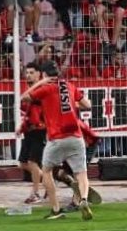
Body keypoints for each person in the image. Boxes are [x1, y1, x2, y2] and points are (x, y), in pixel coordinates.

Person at [22, 60, 94, 220]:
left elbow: (24, 97)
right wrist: (71, 105)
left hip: (56, 138)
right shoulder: (70, 86)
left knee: (46, 171)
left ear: (44, 74)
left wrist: (40, 83)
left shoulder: (46, 88)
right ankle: (83, 199)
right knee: (81, 173)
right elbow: (87, 104)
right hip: (76, 136)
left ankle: (55, 209)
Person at [18, 61, 47, 204]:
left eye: (31, 73)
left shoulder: (42, 90)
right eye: (27, 73)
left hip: (40, 130)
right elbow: (28, 112)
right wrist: (22, 127)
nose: (28, 75)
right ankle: (48, 181)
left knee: (33, 162)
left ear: (39, 74)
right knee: (23, 163)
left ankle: (35, 193)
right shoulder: (29, 89)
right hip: (29, 130)